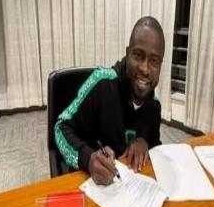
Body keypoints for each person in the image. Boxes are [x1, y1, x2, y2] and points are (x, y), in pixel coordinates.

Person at [55, 16, 165, 185]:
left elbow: (155, 147)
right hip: (91, 183)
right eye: (138, 56)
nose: (145, 68)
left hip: (128, 187)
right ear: (127, 53)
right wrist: (88, 158)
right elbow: (60, 128)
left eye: (154, 61)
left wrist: (145, 142)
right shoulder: (101, 83)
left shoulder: (154, 106)